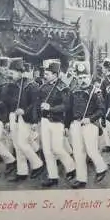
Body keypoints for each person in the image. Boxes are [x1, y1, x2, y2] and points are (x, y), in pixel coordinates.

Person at [69, 62, 108, 189]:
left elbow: (102, 109)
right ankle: (81, 179)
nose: (82, 80)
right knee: (78, 152)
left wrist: (90, 119)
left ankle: (101, 168)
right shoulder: (74, 90)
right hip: (76, 124)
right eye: (80, 78)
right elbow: (70, 109)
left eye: (84, 77)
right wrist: (67, 124)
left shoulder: (96, 92)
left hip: (90, 124)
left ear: (90, 77)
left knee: (91, 150)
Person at [5, 58, 45, 182]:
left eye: (13, 72)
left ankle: (38, 164)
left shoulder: (31, 85)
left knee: (23, 143)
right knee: (17, 145)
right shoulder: (11, 85)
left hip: (25, 118)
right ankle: (21, 172)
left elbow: (35, 104)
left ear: (20, 72)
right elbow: (6, 101)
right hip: (14, 116)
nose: (10, 74)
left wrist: (28, 115)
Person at [38, 60, 76, 188]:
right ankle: (53, 176)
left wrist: (51, 108)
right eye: (45, 73)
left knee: (57, 148)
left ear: (55, 74)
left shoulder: (63, 87)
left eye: (47, 73)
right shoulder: (43, 87)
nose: (45, 75)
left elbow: (66, 106)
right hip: (44, 121)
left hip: (56, 121)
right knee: (47, 151)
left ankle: (71, 167)